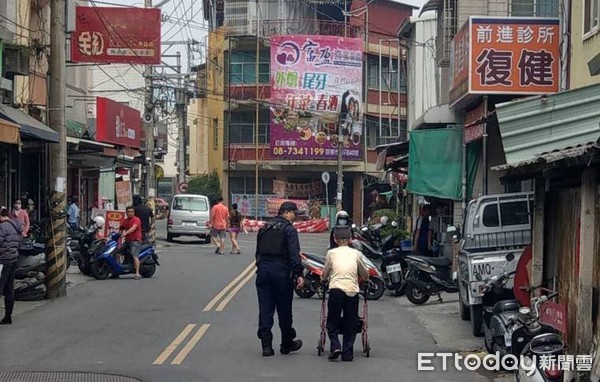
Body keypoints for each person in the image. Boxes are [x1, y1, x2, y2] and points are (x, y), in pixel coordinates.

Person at [255, 201, 305, 357]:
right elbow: (294, 254)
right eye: (294, 214)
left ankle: (266, 346)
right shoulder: (288, 230)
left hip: (263, 271)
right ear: (286, 212)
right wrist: (298, 274)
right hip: (281, 271)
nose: (295, 218)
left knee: (265, 309)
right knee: (284, 310)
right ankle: (286, 344)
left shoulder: (265, 227)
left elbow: (258, 252)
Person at [321, 225, 369, 362]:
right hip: (352, 291)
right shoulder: (356, 254)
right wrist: (366, 279)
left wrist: (323, 279)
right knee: (350, 322)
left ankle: (335, 345)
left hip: (336, 289)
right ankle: (347, 353)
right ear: (350, 240)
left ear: (335, 240)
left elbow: (326, 272)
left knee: (332, 320)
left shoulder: (331, 253)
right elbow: (364, 273)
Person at [0, 207, 23, 325]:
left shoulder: (3, 227)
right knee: (9, 289)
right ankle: (8, 316)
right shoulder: (16, 226)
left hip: (3, 260)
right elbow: (19, 242)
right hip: (13, 259)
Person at [119, 206, 143, 280]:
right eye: (128, 212)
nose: (130, 213)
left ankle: (137, 273)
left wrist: (125, 233)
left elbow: (133, 228)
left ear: (134, 212)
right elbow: (121, 228)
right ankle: (116, 271)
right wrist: (119, 233)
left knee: (134, 255)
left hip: (135, 241)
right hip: (127, 241)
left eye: (131, 212)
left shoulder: (136, 219)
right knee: (117, 252)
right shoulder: (125, 221)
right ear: (126, 213)